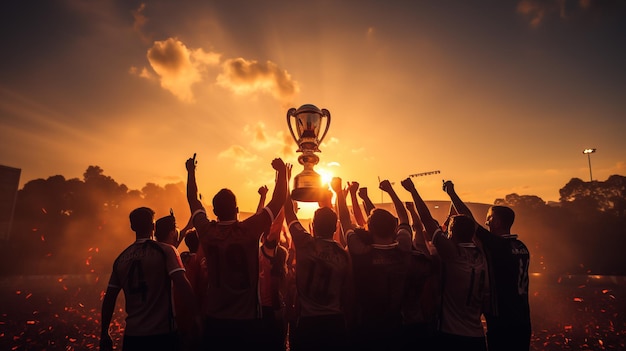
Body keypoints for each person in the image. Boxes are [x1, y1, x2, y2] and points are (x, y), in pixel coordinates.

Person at [185, 154, 287, 350]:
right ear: (237, 209)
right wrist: (282, 173)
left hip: (215, 318)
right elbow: (278, 200)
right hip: (247, 319)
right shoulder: (249, 230)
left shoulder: (207, 231)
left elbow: (193, 201)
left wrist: (191, 172)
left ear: (214, 211)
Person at [401, 177, 489, 351]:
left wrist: (413, 191)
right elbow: (469, 220)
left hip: (451, 335)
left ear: (452, 234)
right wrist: (451, 194)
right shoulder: (483, 253)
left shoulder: (453, 254)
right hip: (478, 336)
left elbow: (426, 219)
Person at [443, 180, 531, 351]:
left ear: (497, 222)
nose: (486, 222)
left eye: (489, 218)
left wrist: (451, 193)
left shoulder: (496, 245)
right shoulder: (522, 247)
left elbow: (469, 220)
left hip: (502, 320)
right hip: (523, 319)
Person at [99, 207, 200, 351]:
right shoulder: (165, 251)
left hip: (132, 337)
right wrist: (196, 316)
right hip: (163, 334)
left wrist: (104, 332)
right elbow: (182, 284)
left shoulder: (121, 259)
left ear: (132, 227)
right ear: (153, 226)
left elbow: (109, 298)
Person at [332, 177, 413, 351]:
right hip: (396, 324)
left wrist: (339, 192)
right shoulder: (403, 248)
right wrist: (391, 191)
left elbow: (345, 222)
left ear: (369, 228)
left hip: (365, 325)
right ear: (394, 228)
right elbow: (404, 218)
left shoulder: (360, 251)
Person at [284, 166, 352, 351]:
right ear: (334, 228)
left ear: (313, 225)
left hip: (308, 321)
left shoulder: (305, 243)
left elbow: (289, 212)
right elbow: (346, 292)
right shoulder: (343, 254)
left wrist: (285, 178)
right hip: (335, 322)